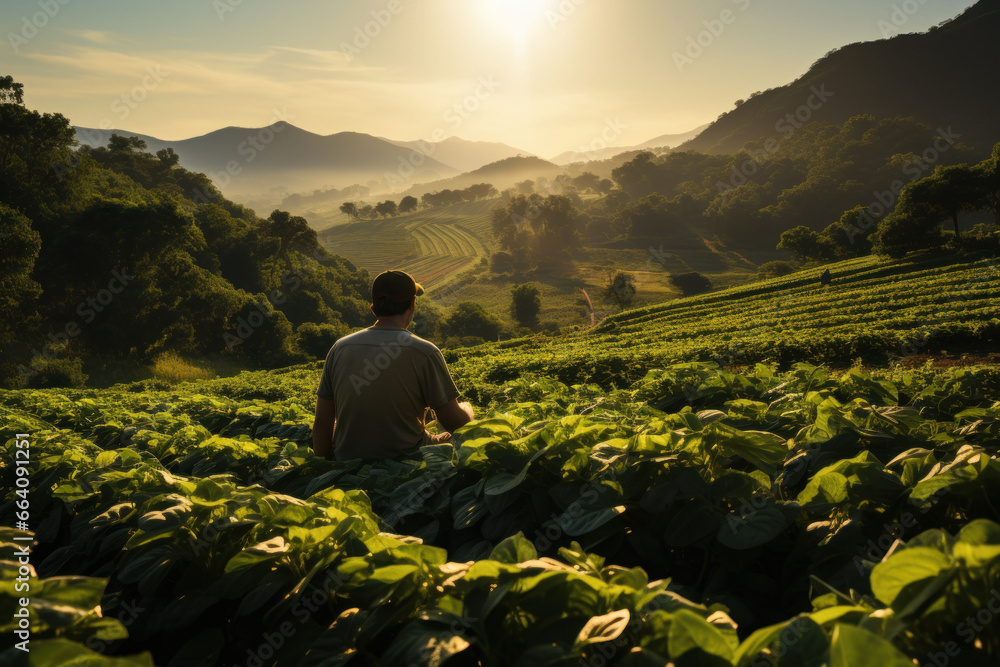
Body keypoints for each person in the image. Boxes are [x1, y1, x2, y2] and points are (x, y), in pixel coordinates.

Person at [312, 269, 474, 461]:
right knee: (465, 408)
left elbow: (323, 421)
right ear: (413, 304)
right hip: (408, 460)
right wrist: (467, 413)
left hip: (347, 461)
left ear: (373, 308)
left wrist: (323, 468)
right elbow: (454, 422)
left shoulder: (339, 348)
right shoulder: (424, 352)